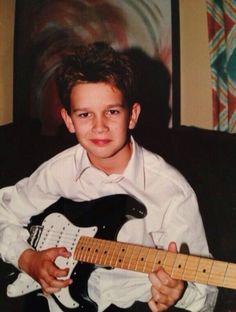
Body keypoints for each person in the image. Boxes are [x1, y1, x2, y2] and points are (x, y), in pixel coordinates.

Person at [0, 42, 218, 312]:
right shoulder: (58, 171)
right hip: (56, 299)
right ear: (68, 121)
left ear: (132, 115)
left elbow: (207, 290)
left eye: (112, 112)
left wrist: (180, 292)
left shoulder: (171, 191)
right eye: (85, 114)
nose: (99, 126)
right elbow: (3, 212)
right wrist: (27, 259)